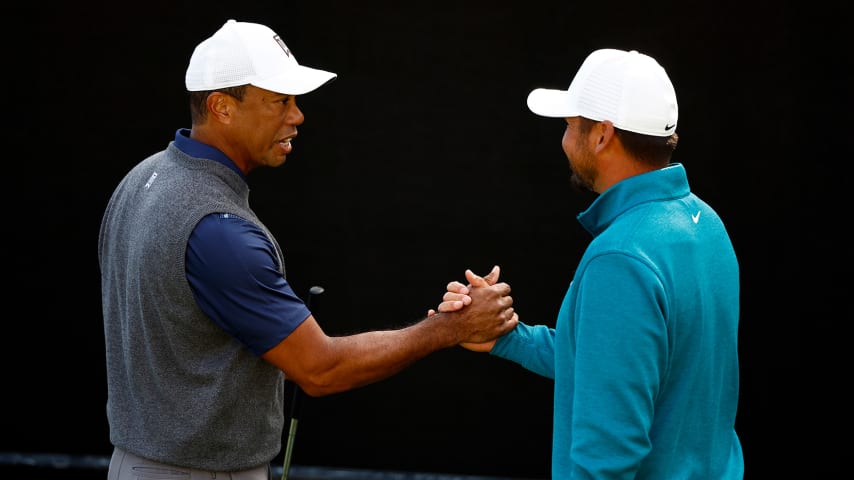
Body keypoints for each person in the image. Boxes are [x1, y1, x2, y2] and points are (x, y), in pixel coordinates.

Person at [98, 19, 518, 480]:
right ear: (221, 107)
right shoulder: (219, 231)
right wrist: (448, 328)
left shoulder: (141, 179)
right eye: (279, 101)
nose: (297, 116)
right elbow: (321, 370)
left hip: (138, 463)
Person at [434, 49, 744, 478]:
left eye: (568, 124)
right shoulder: (707, 224)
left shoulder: (621, 258)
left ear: (601, 135)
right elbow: (620, 362)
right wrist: (508, 338)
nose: (562, 139)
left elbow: (606, 460)